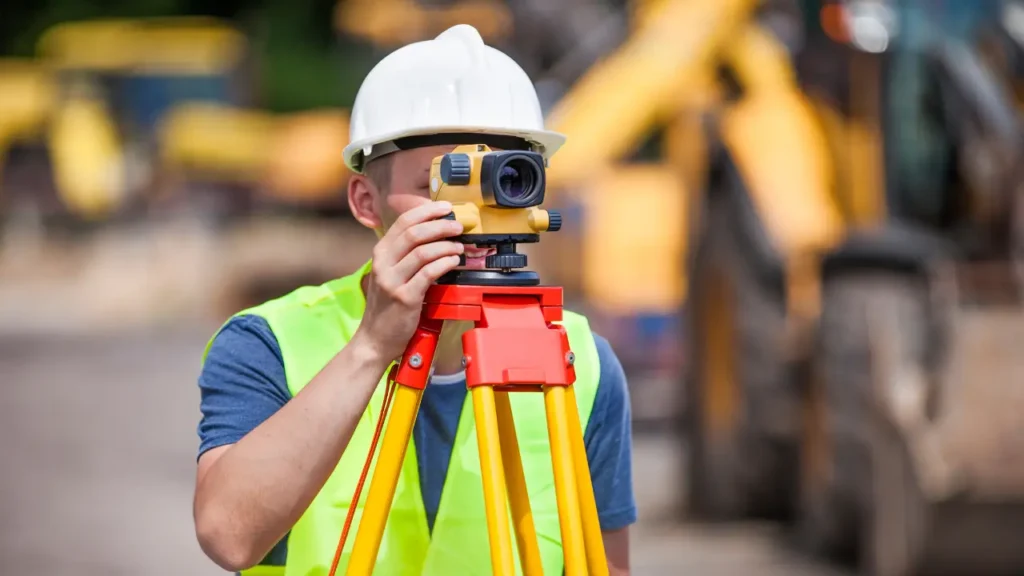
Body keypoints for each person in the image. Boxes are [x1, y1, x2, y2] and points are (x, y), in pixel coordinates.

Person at [193, 24, 636, 575]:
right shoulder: (271, 343)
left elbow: (608, 566)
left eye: (504, 175)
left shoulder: (581, 362)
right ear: (365, 201)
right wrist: (373, 346)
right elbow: (228, 536)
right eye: (446, 179)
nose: (477, 205)